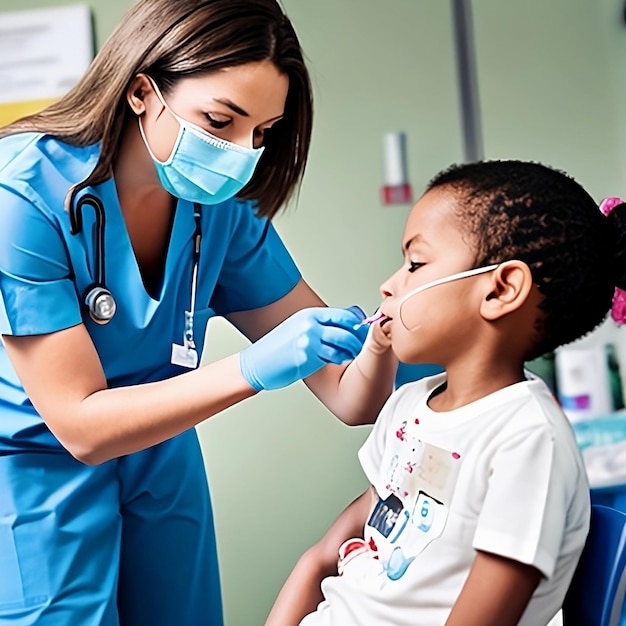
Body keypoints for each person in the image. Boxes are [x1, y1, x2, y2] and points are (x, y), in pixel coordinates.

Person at [0, 1, 397, 625]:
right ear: (141, 91)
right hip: (37, 466)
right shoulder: (23, 194)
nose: (242, 153)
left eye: (263, 132)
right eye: (220, 120)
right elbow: (80, 425)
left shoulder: (221, 212)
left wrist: (391, 343)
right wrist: (254, 368)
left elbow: (352, 400)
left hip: (160, 455)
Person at [266, 159, 626, 626]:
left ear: (501, 289)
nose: (390, 285)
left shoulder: (527, 440)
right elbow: (319, 560)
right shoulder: (411, 405)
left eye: (415, 263)